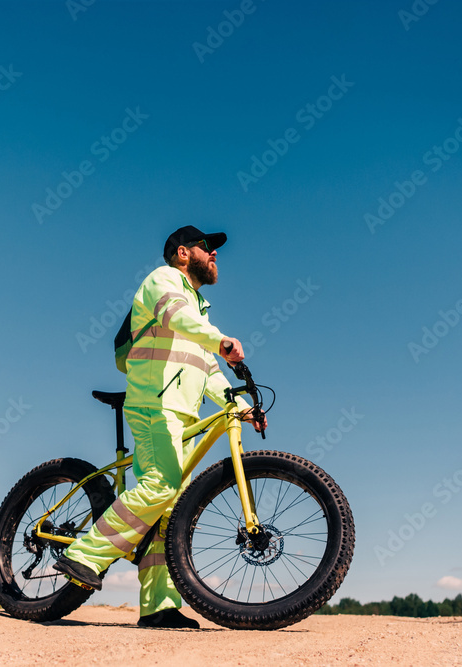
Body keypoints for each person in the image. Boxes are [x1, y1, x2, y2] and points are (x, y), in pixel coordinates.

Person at [54, 225, 266, 629]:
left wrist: (240, 406)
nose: (215, 255)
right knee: (162, 484)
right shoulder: (163, 281)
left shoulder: (200, 311)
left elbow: (209, 373)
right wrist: (219, 339)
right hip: (154, 404)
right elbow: (177, 317)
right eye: (208, 248)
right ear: (183, 254)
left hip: (182, 416)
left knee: (168, 513)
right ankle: (84, 555)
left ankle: (158, 606)